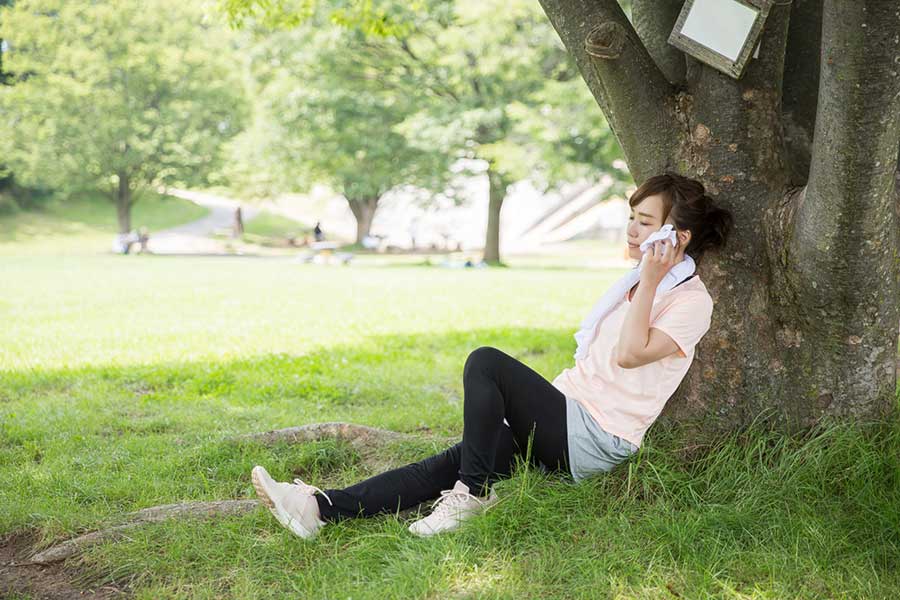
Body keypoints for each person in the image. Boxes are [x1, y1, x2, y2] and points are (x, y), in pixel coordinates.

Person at [250, 172, 734, 540]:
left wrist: (650, 279)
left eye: (644, 223)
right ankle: (320, 509)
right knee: (452, 462)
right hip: (562, 418)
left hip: (596, 439)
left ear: (678, 238)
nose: (631, 230)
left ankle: (472, 496)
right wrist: (644, 279)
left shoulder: (690, 302)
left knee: (486, 363)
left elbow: (630, 356)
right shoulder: (633, 285)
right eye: (631, 217)